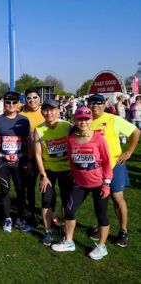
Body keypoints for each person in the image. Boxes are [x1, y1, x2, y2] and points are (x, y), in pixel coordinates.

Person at [52, 107, 113, 260]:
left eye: (86, 119)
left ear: (91, 120)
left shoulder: (99, 138)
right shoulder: (71, 139)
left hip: (99, 183)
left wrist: (106, 183)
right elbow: (72, 161)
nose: (83, 122)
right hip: (80, 183)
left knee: (101, 216)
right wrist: (75, 173)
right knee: (69, 210)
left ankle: (102, 247)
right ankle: (69, 241)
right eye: (80, 119)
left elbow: (107, 162)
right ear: (75, 120)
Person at [88, 94, 140, 247]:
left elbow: (136, 132)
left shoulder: (113, 119)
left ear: (104, 104)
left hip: (114, 165)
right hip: (95, 168)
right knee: (100, 200)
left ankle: (123, 231)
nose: (95, 106)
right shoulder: (86, 120)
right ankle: (102, 228)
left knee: (117, 199)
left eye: (98, 103)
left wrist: (129, 151)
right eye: (92, 103)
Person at [0, 91, 33, 233]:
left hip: (20, 162)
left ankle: (20, 217)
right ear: (3, 104)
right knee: (5, 190)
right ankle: (7, 218)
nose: (11, 105)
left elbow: (28, 141)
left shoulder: (24, 120)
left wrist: (27, 158)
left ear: (18, 104)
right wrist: (1, 155)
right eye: (8, 102)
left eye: (14, 102)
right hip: (2, 162)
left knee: (21, 191)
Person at [33, 99, 73, 246]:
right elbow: (38, 154)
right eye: (46, 110)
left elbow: (75, 147)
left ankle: (64, 227)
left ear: (58, 111)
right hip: (48, 170)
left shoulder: (67, 127)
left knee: (66, 201)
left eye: (52, 110)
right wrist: (43, 175)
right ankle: (48, 232)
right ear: (42, 112)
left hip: (67, 170)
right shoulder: (39, 129)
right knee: (46, 200)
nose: (49, 113)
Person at [19, 88, 45, 226]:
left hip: (46, 157)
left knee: (47, 186)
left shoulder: (46, 112)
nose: (32, 100)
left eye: (35, 97)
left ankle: (49, 214)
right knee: (28, 186)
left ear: (39, 98)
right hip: (28, 156)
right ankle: (29, 213)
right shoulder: (21, 115)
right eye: (29, 98)